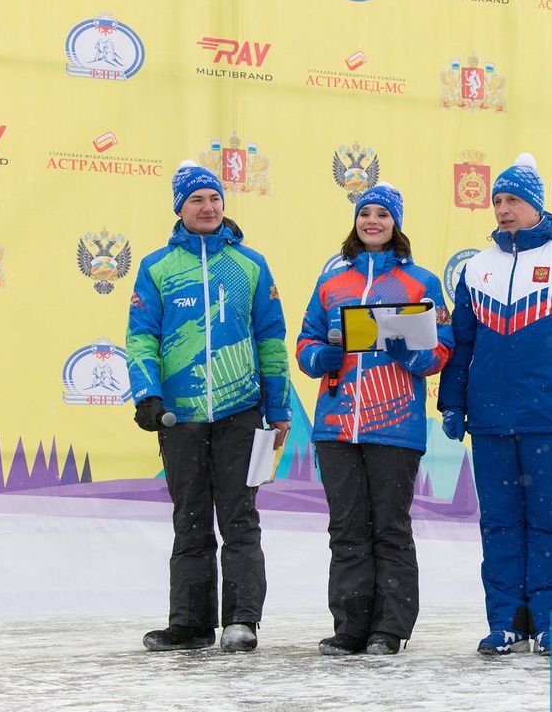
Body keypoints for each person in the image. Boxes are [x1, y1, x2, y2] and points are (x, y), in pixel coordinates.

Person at [437, 153, 552, 656]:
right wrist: (453, 402)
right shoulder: (477, 268)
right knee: (499, 525)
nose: (503, 209)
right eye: (497, 200)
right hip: (490, 421)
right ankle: (506, 622)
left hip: (549, 421)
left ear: (535, 205)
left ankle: (551, 624)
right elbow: (462, 345)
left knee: (550, 524)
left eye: (513, 200)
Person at [126, 160, 292, 653]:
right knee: (191, 518)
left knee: (239, 518)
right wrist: (147, 394)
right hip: (181, 415)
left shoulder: (250, 265)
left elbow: (271, 339)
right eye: (197, 199)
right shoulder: (157, 267)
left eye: (215, 199)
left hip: (240, 411)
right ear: (179, 207)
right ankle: (191, 624)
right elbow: (141, 339)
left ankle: (242, 620)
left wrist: (278, 405)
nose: (208, 207)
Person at [296, 183, 455, 656]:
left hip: (395, 424)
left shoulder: (421, 282)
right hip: (337, 425)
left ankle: (390, 628)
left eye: (383, 214)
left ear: (396, 224)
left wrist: (414, 353)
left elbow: (441, 349)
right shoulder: (331, 281)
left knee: (389, 526)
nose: (373, 221)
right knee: (346, 529)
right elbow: (304, 344)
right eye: (365, 213)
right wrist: (322, 356)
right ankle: (349, 626)